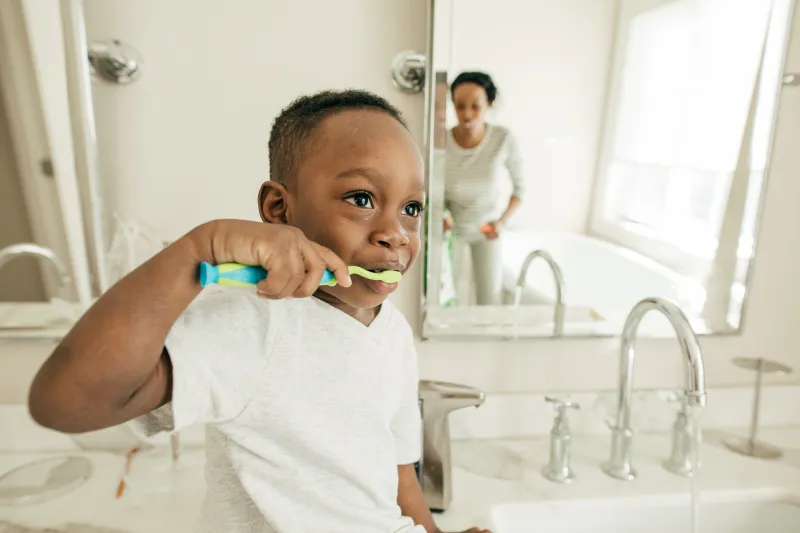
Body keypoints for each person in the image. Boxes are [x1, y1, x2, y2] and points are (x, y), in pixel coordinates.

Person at [28, 91, 490, 533]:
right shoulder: (253, 324)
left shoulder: (393, 333)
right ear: (278, 208)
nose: (396, 234)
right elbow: (63, 403)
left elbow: (397, 470)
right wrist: (198, 249)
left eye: (412, 208)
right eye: (362, 199)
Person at [444, 71, 524, 306]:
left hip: (487, 231)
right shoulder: (441, 142)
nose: (466, 115)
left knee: (489, 298)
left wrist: (501, 222)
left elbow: (520, 189)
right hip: (453, 233)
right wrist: (443, 217)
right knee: (452, 297)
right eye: (459, 106)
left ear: (489, 105)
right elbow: (431, 189)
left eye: (475, 107)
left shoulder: (502, 138)